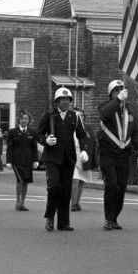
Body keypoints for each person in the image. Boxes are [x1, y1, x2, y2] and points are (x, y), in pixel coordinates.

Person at [36, 87, 89, 232]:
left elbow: (82, 135)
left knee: (66, 190)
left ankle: (63, 222)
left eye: (68, 100)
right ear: (57, 101)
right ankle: (50, 218)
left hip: (68, 157)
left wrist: (84, 150)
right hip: (52, 157)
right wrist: (46, 140)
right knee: (54, 187)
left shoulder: (75, 116)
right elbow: (38, 133)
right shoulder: (49, 115)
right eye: (63, 100)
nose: (66, 102)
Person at [98, 80, 138, 231]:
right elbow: (105, 115)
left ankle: (115, 217)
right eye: (116, 91)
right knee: (111, 185)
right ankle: (108, 218)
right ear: (110, 94)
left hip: (124, 155)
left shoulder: (130, 109)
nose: (120, 93)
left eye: (121, 90)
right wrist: (118, 100)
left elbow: (136, 130)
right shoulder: (105, 106)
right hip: (108, 154)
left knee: (121, 187)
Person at [6, 110, 39, 211]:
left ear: (29, 121)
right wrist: (8, 161)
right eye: (22, 119)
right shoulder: (12, 132)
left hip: (28, 160)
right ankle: (18, 201)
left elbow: (34, 147)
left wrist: (36, 160)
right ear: (18, 120)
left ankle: (23, 203)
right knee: (20, 180)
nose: (24, 120)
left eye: (26, 119)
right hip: (17, 160)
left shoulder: (32, 132)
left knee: (26, 181)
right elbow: (9, 148)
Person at [71, 107, 97, 212]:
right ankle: (73, 203)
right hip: (73, 156)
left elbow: (92, 143)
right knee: (75, 179)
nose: (80, 117)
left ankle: (77, 202)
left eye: (82, 115)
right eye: (78, 115)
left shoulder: (88, 129)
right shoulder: (70, 127)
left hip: (84, 157)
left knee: (82, 180)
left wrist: (91, 157)